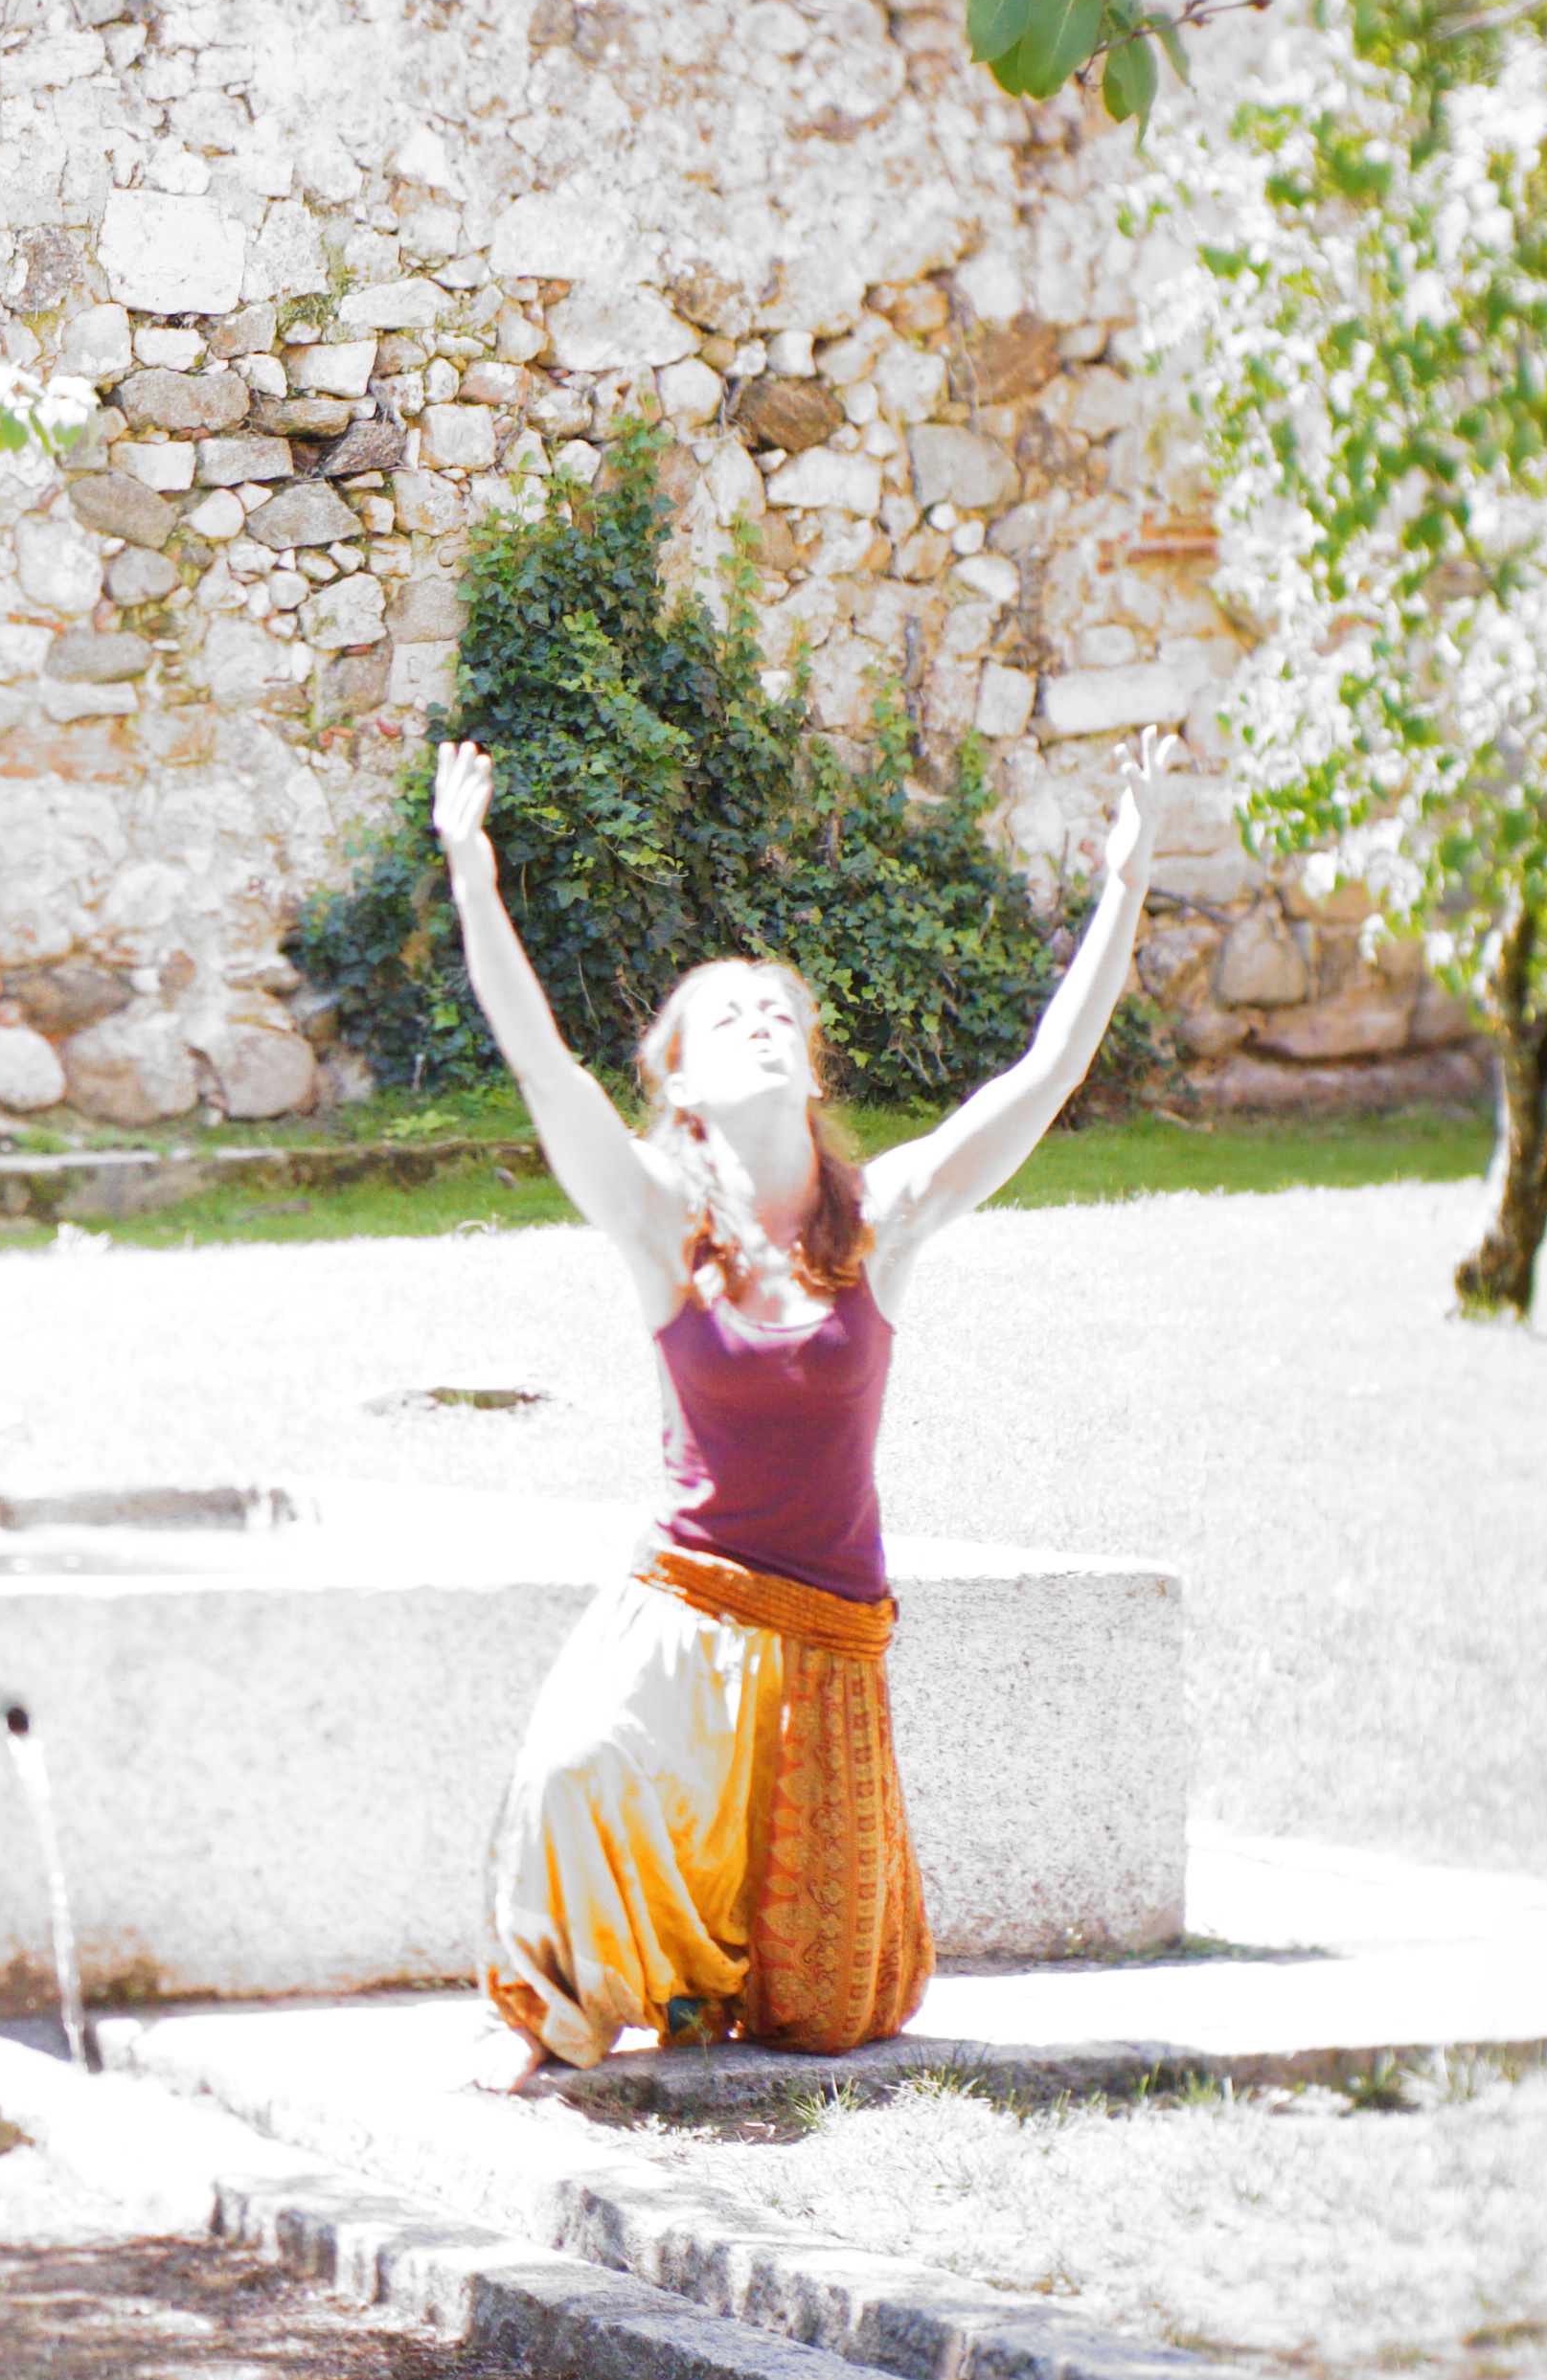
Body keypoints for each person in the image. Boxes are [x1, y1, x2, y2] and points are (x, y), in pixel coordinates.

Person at [431, 721, 1181, 2086]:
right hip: (685, 1599)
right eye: (728, 1016)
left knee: (833, 2008)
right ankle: (541, 2012)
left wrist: (1124, 886)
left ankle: (712, 1973)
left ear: (812, 1072)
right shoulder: (660, 1220)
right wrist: (475, 880)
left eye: (780, 1013)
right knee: (574, 1770)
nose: (763, 1023)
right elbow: (545, 1071)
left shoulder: (877, 1221)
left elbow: (1043, 1079)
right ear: (680, 1086)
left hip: (828, 1633)